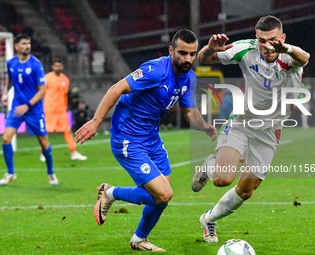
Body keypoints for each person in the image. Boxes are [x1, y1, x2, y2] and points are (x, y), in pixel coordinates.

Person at [74, 29, 217, 251]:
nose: (188, 59)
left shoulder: (189, 77)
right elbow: (117, 88)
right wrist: (95, 121)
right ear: (171, 50)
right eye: (182, 53)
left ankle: (139, 239)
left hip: (152, 139)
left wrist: (205, 126)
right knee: (163, 194)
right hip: (127, 138)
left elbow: (190, 113)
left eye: (192, 54)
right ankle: (109, 193)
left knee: (162, 196)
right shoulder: (155, 70)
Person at [192, 16, 309, 242]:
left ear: (282, 38)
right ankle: (210, 165)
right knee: (222, 180)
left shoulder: (289, 55)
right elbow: (204, 59)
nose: (266, 46)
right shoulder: (246, 49)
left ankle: (208, 219)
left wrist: (287, 48)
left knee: (246, 191)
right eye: (261, 40)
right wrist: (208, 48)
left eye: (272, 40)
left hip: (269, 132)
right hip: (242, 123)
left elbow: (304, 58)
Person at [0, 34, 58, 186]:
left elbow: (42, 90)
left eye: (29, 43)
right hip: (16, 108)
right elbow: (10, 79)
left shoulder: (36, 64)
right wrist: (5, 93)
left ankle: (51, 172)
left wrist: (28, 105)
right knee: (6, 138)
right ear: (16, 46)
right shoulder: (11, 63)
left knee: (43, 142)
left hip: (34, 110)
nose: (27, 46)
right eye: (24, 43)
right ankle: (11, 173)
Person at [40, 59, 87, 162]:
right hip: (49, 109)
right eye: (56, 66)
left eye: (60, 66)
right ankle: (43, 153)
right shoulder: (47, 78)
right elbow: (41, 93)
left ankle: (74, 152)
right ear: (53, 67)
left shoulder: (65, 79)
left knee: (67, 131)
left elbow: (65, 95)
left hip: (61, 110)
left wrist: (65, 107)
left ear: (62, 67)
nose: (58, 68)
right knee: (45, 131)